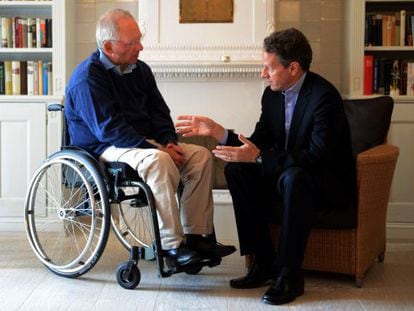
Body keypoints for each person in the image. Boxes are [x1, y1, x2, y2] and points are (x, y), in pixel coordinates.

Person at [176, 28, 356, 305]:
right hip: (287, 173)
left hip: (321, 182)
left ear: (293, 68)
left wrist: (259, 158)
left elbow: (316, 157)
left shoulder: (324, 97)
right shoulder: (272, 95)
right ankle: (263, 262)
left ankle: (290, 274)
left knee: (294, 178)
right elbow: (259, 142)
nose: (263, 74)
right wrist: (221, 133)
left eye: (269, 67)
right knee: (237, 170)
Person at [64, 9, 235, 269]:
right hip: (106, 147)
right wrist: (156, 149)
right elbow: (109, 129)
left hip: (144, 143)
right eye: (132, 43)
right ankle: (171, 246)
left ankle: (197, 237)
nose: (140, 47)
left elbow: (159, 112)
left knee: (200, 156)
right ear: (109, 46)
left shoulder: (139, 69)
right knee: (158, 161)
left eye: (139, 39)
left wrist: (168, 141)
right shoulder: (87, 78)